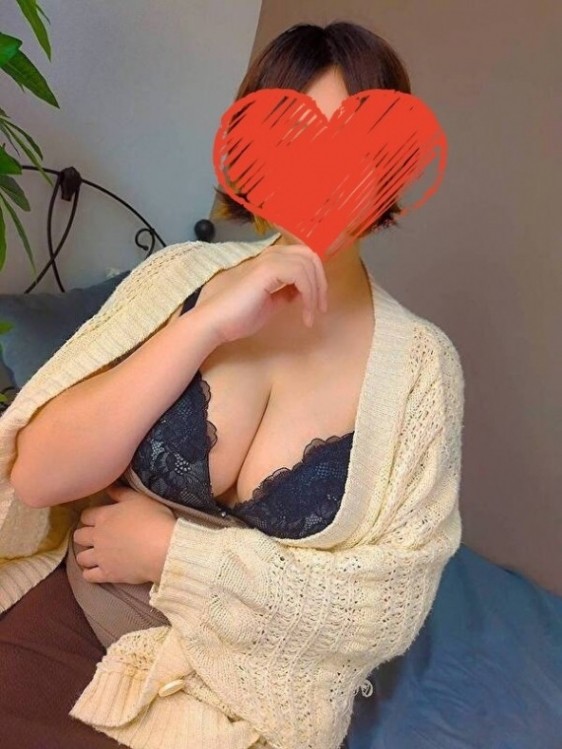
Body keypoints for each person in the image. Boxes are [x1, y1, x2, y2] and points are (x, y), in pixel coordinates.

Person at [0, 20, 465, 749]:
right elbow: (36, 476)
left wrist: (174, 555)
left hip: (251, 709)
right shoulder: (180, 278)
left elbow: (386, 609)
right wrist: (204, 326)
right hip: (68, 633)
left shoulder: (421, 371)